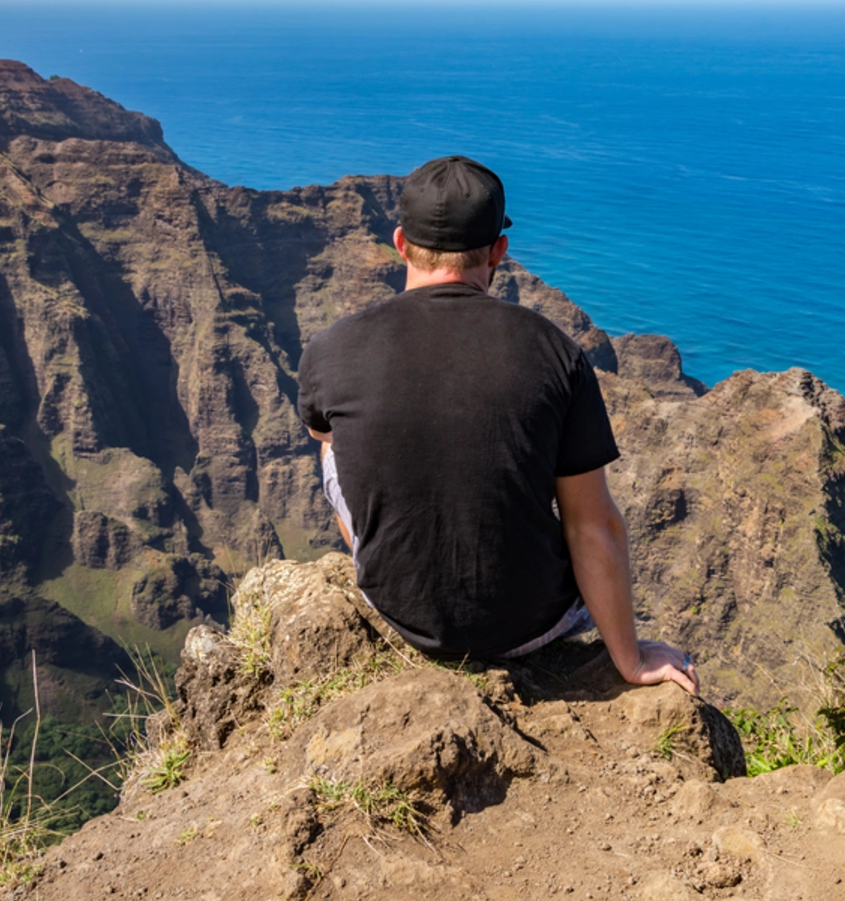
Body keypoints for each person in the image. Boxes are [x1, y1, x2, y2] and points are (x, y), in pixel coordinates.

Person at [297, 155, 697, 695]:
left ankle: (381, 567)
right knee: (570, 485)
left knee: (330, 450)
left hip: (400, 615)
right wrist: (629, 659)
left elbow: (342, 456)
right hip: (532, 628)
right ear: (498, 252)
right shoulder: (556, 353)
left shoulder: (331, 349)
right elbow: (592, 524)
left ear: (400, 242)